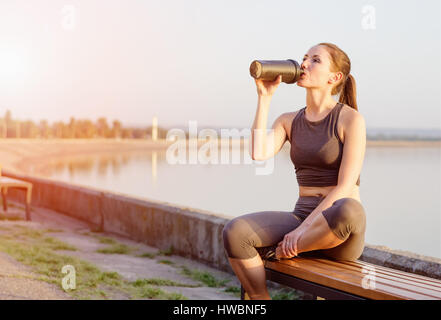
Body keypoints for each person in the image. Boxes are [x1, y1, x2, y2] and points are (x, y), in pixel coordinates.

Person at [222, 43, 367, 300]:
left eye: (315, 60)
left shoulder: (350, 119)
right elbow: (258, 152)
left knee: (349, 209)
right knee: (235, 231)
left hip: (337, 233)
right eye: (304, 58)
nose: (304, 64)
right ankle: (260, 299)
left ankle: (285, 249)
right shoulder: (289, 120)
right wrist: (264, 98)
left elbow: (344, 187)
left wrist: (300, 234)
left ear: (335, 78)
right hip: (301, 217)